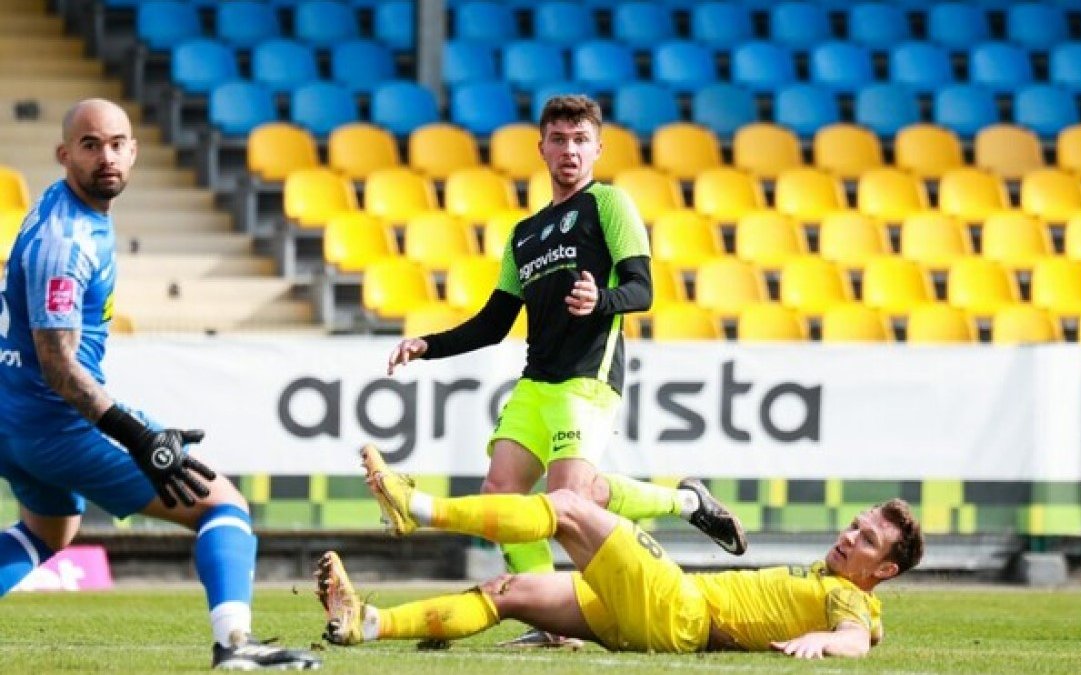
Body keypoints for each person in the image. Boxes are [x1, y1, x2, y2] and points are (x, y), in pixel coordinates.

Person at [384, 95, 746, 647]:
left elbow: (643, 290)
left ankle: (686, 502)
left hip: (587, 379)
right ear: (542, 149)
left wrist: (601, 300)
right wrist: (426, 345)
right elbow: (494, 323)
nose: (570, 150)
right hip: (536, 384)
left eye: (580, 140)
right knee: (502, 491)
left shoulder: (609, 204)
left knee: (568, 504)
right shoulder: (523, 235)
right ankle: (549, 623)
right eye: (559, 140)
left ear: (598, 148)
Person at [0, 99, 319, 671]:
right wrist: (140, 438)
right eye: (90, 145)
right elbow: (60, 366)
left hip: (15, 414)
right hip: (55, 421)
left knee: (49, 529)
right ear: (64, 154)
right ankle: (235, 644)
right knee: (222, 505)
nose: (106, 156)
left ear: (134, 151)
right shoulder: (66, 240)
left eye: (116, 144)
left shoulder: (65, 208)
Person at [316, 446, 924, 659]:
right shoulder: (832, 582)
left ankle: (417, 508)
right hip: (655, 614)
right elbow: (865, 629)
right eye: (856, 525)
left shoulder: (849, 599)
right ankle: (368, 624)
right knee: (509, 593)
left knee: (568, 505)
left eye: (867, 540)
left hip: (679, 608)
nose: (850, 537)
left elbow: (855, 637)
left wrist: (825, 642)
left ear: (885, 570)